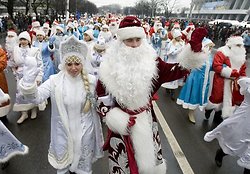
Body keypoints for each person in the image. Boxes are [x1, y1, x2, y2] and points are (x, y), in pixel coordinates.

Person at [95, 16, 208, 174]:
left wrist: (192, 52)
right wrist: (115, 118)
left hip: (146, 120)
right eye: (129, 40)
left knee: (151, 165)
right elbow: (100, 98)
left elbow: (174, 70)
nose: (134, 45)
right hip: (121, 127)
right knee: (123, 167)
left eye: (137, 39)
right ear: (120, 41)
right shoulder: (108, 65)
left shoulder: (152, 61)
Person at [18, 36, 104, 174]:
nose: (73, 68)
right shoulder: (54, 81)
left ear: (83, 63)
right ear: (64, 64)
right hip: (63, 132)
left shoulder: (92, 81)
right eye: (69, 64)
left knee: (84, 167)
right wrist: (28, 83)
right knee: (63, 166)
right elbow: (37, 97)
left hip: (85, 131)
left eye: (77, 63)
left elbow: (102, 104)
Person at [204, 77, 250, 174]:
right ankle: (221, 153)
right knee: (235, 143)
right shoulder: (248, 83)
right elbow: (241, 83)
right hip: (244, 122)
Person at [205, 36, 247, 124]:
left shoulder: (242, 55)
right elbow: (216, 66)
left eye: (241, 45)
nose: (240, 47)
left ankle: (218, 116)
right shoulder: (222, 51)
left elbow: (243, 69)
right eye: (238, 45)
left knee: (227, 100)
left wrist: (243, 80)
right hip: (221, 80)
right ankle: (208, 110)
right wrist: (229, 72)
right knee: (216, 98)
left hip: (233, 82)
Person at [176, 38, 215, 123]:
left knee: (200, 96)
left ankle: (195, 110)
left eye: (211, 47)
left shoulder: (210, 57)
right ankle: (191, 113)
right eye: (209, 47)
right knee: (193, 96)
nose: (210, 49)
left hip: (205, 80)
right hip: (195, 80)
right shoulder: (198, 55)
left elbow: (212, 67)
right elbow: (189, 63)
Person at [10, 31, 45, 124]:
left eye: (25, 39)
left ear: (29, 40)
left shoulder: (34, 50)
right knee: (21, 94)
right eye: (21, 39)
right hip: (20, 75)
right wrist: (14, 71)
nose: (23, 41)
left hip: (31, 75)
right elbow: (12, 62)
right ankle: (24, 113)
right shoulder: (16, 49)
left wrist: (38, 77)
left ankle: (33, 109)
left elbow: (40, 64)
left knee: (31, 93)